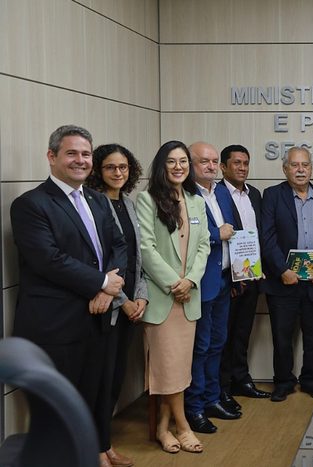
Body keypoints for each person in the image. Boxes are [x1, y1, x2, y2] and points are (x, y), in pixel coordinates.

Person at [11, 125, 127, 467]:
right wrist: (100, 283)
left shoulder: (96, 199)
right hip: (56, 326)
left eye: (86, 154)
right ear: (52, 157)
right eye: (72, 153)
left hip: (97, 318)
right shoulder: (30, 204)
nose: (81, 160)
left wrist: (109, 288)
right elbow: (48, 260)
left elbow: (117, 245)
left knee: (94, 396)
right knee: (59, 411)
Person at [137, 141, 210, 454]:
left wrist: (191, 280)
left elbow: (205, 245)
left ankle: (163, 427)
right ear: (161, 166)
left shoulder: (196, 200)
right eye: (171, 161)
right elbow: (146, 248)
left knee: (179, 367)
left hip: (188, 298)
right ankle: (182, 426)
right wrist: (174, 282)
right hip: (163, 298)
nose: (179, 166)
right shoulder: (147, 199)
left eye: (183, 161)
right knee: (167, 366)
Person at [85, 143, 148, 467]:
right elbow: (103, 263)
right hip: (107, 307)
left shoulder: (128, 202)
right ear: (98, 170)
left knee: (115, 378)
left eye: (123, 167)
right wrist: (123, 302)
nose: (119, 173)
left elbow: (137, 256)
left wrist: (141, 297)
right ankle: (96, 449)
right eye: (111, 167)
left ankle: (105, 444)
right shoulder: (93, 204)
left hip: (129, 305)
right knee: (100, 380)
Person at [261, 147, 313, 402]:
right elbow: (266, 238)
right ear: (285, 169)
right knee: (282, 336)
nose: (300, 169)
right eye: (294, 165)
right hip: (283, 281)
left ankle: (311, 380)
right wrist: (282, 269)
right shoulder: (271, 196)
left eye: (305, 165)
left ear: (311, 168)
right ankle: (283, 382)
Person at [184, 142, 241, 433]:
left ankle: (212, 397)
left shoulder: (220, 191)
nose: (210, 166)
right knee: (201, 347)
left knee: (218, 343)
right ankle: (194, 407)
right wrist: (216, 235)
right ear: (190, 163)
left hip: (222, 279)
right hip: (200, 282)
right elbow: (187, 235)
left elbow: (234, 229)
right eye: (203, 161)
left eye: (214, 161)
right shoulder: (183, 194)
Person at [218, 144, 271, 409]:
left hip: (252, 275)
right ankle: (222, 387)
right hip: (228, 278)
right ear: (223, 167)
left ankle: (241, 379)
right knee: (223, 335)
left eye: (245, 163)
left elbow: (257, 234)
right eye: (236, 163)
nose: (241, 168)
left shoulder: (255, 195)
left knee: (242, 331)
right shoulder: (216, 194)